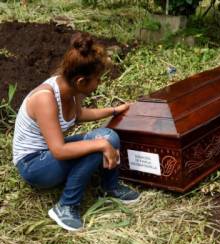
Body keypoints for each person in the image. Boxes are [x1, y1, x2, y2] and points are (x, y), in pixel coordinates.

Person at [12, 32, 139, 231]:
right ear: (81, 81)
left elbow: (78, 114)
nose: (99, 84)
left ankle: (110, 187)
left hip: (51, 153)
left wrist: (114, 110)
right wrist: (100, 145)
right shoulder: (45, 98)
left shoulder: (70, 89)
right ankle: (66, 206)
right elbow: (59, 151)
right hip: (34, 164)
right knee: (99, 145)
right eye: (97, 79)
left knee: (109, 136)